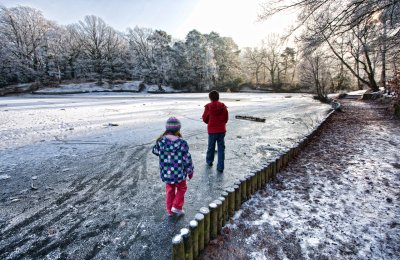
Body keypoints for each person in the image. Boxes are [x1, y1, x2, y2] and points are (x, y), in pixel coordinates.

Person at [152, 117, 194, 216]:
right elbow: (187, 159)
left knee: (170, 190)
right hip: (179, 173)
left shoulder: (161, 141)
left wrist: (165, 154)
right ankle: (176, 206)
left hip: (166, 172)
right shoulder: (181, 143)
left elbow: (155, 151)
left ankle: (170, 210)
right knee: (182, 188)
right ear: (178, 129)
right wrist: (190, 171)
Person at [202, 90, 229, 172]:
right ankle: (220, 167)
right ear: (218, 97)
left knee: (211, 147)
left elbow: (205, 118)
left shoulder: (208, 107)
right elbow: (226, 119)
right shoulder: (223, 107)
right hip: (221, 130)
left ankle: (209, 161)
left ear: (210, 98)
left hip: (212, 130)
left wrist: (209, 122)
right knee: (221, 148)